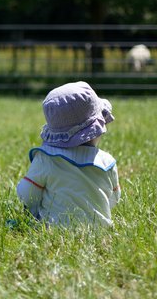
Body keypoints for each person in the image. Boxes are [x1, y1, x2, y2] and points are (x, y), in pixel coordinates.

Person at [16, 81, 121, 227]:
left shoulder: (46, 159)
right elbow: (114, 198)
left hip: (53, 229)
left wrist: (32, 214)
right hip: (99, 230)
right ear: (95, 130)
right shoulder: (107, 162)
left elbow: (27, 194)